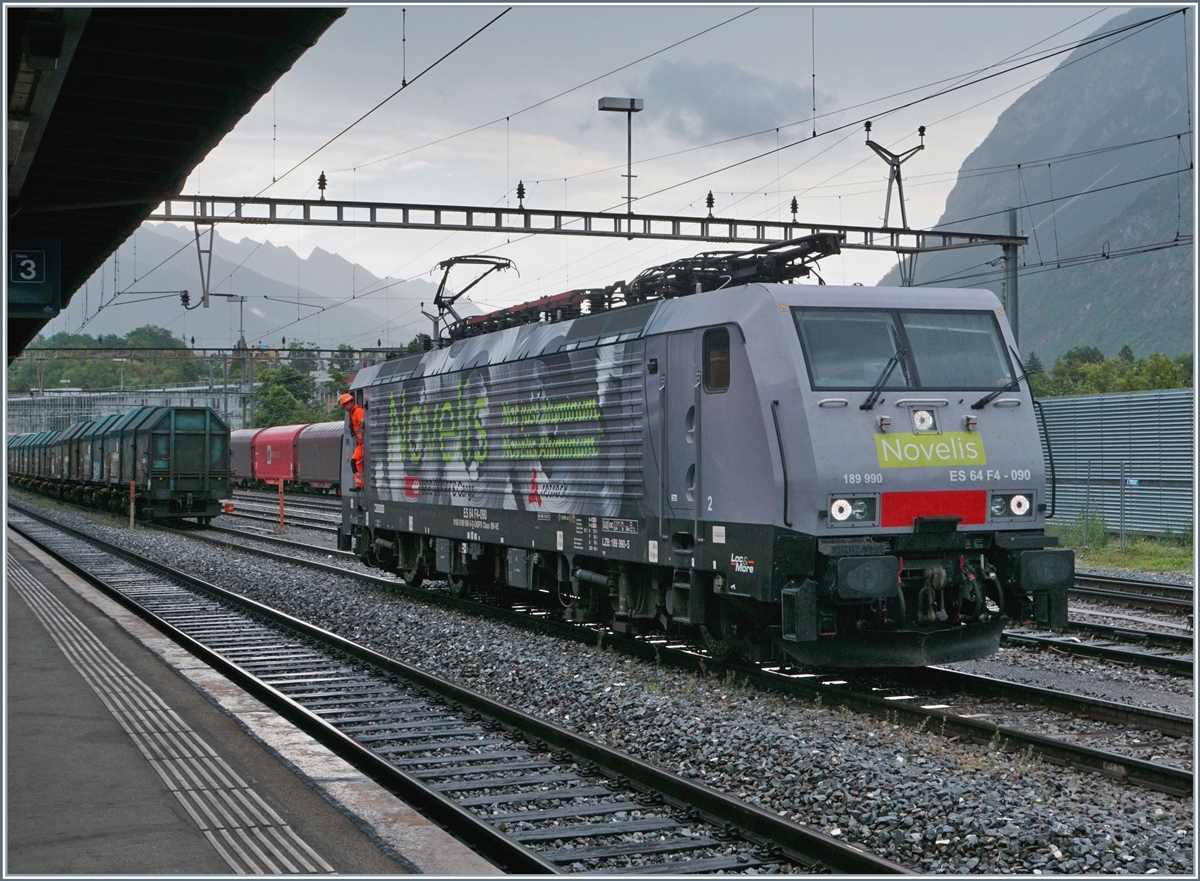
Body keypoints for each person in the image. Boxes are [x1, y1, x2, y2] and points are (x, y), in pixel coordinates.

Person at [340, 392, 365, 489]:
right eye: (344, 405)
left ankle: (360, 484)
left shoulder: (357, 411)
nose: (346, 407)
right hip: (360, 443)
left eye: (347, 404)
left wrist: (363, 421)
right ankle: (359, 484)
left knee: (355, 461)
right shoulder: (353, 413)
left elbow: (363, 419)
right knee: (354, 462)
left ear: (352, 402)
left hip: (363, 443)